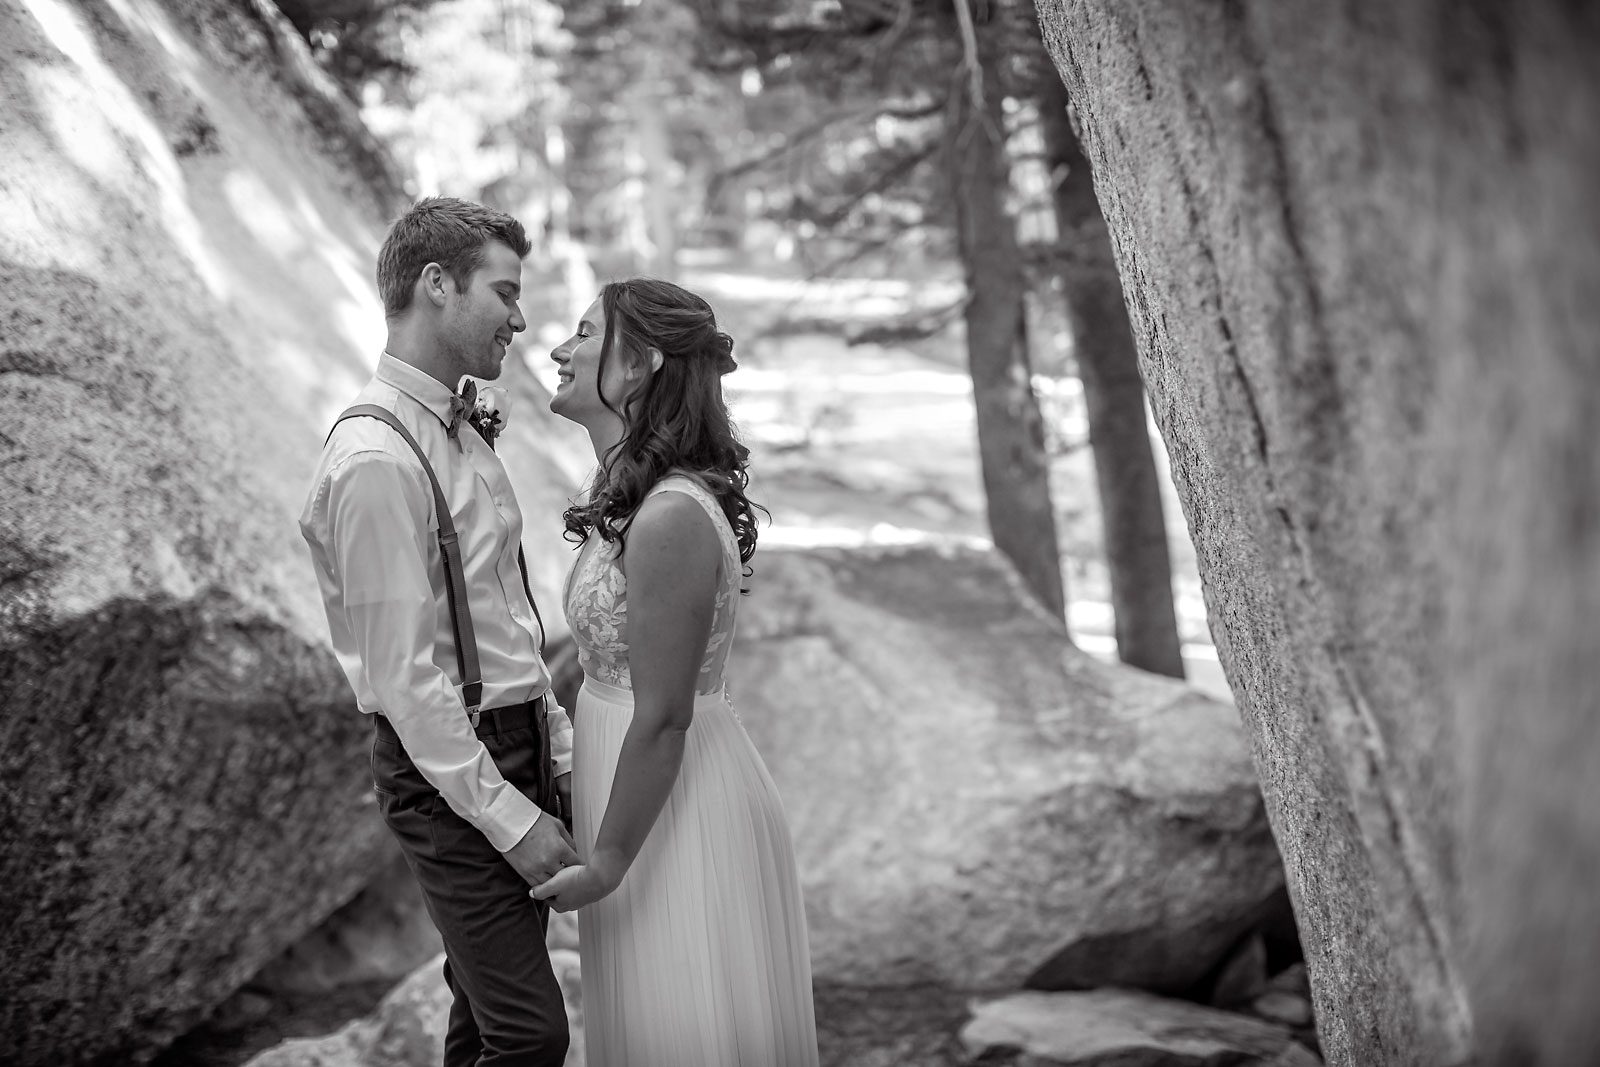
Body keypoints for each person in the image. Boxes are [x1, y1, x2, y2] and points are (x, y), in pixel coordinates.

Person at [299, 197, 576, 1067]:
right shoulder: (377, 459)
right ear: (437, 285)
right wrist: (512, 817)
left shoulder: (458, 426)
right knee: (531, 1036)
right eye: (504, 292)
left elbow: (506, 625)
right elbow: (408, 682)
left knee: (484, 1025)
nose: (521, 318)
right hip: (449, 767)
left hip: (515, 739)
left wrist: (557, 748)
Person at [532, 278, 819, 1065]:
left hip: (675, 814)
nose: (560, 348)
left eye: (584, 334)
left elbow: (662, 714)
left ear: (639, 364)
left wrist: (610, 862)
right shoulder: (641, 500)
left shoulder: (667, 518)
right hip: (633, 794)